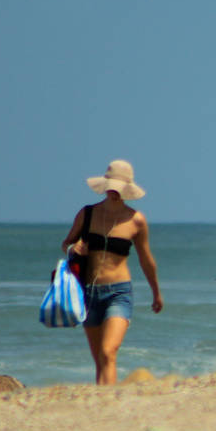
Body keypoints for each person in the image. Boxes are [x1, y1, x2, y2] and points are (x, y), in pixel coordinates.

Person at [61, 160, 163, 385]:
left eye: (120, 188)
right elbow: (66, 243)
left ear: (127, 190)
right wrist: (73, 247)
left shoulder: (136, 220)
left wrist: (156, 292)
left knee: (108, 352)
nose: (115, 192)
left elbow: (146, 259)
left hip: (119, 292)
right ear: (106, 186)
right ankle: (102, 404)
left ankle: (110, 400)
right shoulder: (87, 214)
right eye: (112, 187)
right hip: (88, 293)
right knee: (99, 359)